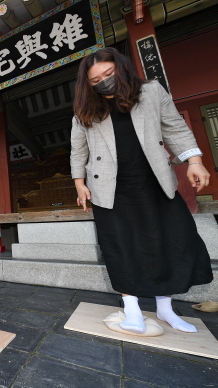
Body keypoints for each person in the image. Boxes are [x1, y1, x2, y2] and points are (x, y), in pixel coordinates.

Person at [70, 47, 213, 334]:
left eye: (109, 74)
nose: (104, 82)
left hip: (155, 181)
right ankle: (131, 308)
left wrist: (194, 160)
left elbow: (175, 127)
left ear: (121, 68)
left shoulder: (150, 92)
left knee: (170, 240)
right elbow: (78, 149)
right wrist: (79, 184)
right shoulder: (87, 109)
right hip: (110, 188)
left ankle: (165, 308)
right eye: (96, 80)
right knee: (120, 246)